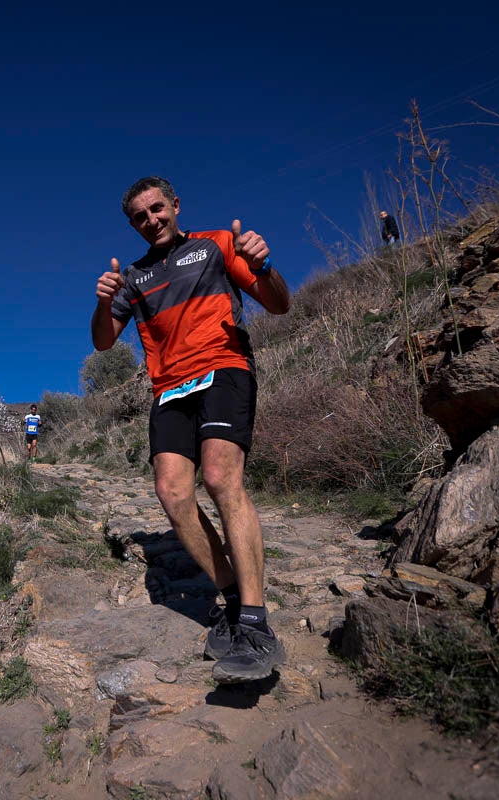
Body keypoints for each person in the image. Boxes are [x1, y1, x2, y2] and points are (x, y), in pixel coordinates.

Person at [90, 176, 291, 683]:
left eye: (157, 208)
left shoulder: (217, 244)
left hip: (224, 368)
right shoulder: (133, 277)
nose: (151, 220)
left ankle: (256, 626)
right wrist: (104, 301)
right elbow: (104, 342)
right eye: (140, 217)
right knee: (172, 491)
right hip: (169, 389)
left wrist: (263, 265)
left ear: (176, 205)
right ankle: (232, 600)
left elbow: (279, 303)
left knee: (221, 479)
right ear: (133, 225)